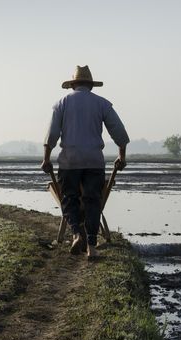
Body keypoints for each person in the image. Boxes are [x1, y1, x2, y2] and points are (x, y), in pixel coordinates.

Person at [41, 66, 129, 258]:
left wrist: (46, 159)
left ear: (73, 84)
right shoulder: (102, 104)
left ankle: (75, 234)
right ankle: (91, 246)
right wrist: (122, 156)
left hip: (70, 160)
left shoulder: (62, 103)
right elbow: (119, 132)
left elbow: (52, 134)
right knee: (92, 200)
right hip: (93, 160)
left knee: (69, 198)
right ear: (90, 85)